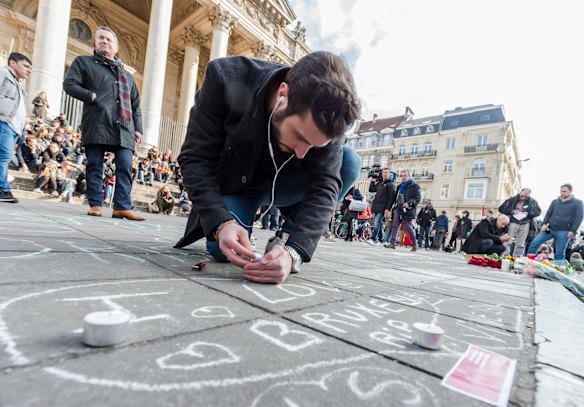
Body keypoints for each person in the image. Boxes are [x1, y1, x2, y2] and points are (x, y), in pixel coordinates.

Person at [174, 51, 361, 284]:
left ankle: (287, 235)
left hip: (288, 185)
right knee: (223, 249)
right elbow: (194, 158)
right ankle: (236, 223)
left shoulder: (331, 117)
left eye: (314, 146)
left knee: (350, 161)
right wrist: (221, 223)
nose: (303, 153)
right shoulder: (225, 77)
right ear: (283, 95)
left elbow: (325, 186)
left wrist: (295, 252)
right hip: (238, 184)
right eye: (299, 137)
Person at [63, 26, 144, 220]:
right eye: (101, 38)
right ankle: (96, 204)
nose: (104, 41)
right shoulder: (84, 62)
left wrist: (138, 129)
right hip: (97, 123)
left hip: (124, 128)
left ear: (116, 46)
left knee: (125, 166)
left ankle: (122, 207)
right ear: (96, 42)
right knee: (95, 166)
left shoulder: (128, 76)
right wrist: (91, 95)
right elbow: (69, 84)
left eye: (108, 39)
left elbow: (135, 106)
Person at [1, 52, 32, 203]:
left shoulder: (20, 85)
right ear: (13, 63)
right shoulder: (4, 73)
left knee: (4, 158)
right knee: (3, 157)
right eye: (25, 66)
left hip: (14, 128)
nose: (28, 70)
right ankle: (3, 189)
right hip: (4, 122)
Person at [527, 183, 584, 261]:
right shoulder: (555, 202)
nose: (562, 193)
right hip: (550, 229)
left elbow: (579, 217)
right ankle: (530, 261)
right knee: (535, 243)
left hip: (564, 231)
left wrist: (573, 230)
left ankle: (558, 268)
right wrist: (544, 224)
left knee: (559, 252)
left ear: (570, 191)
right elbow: (548, 213)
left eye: (564, 191)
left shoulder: (578, 203)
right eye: (561, 191)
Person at [384, 170, 421, 251]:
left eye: (405, 176)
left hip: (408, 209)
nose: (403, 177)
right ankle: (392, 243)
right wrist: (389, 208)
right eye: (402, 176)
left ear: (409, 176)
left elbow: (417, 199)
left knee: (408, 226)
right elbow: (394, 198)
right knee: (395, 225)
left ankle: (414, 244)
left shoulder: (415, 186)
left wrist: (409, 203)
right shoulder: (399, 186)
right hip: (398, 208)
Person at [498, 187, 541, 257]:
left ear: (529, 195)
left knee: (521, 243)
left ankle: (517, 258)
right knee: (507, 241)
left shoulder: (533, 202)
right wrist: (512, 211)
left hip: (525, 223)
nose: (523, 198)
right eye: (522, 196)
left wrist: (528, 213)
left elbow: (538, 212)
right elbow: (501, 208)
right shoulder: (512, 200)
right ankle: (504, 256)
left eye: (526, 197)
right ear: (520, 192)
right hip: (512, 222)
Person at [367, 168, 396, 245]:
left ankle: (373, 239)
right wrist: (373, 180)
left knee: (376, 222)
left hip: (383, 207)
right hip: (376, 206)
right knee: (379, 223)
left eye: (386, 172)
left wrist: (388, 208)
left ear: (389, 174)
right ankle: (381, 240)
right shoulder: (381, 183)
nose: (384, 174)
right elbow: (371, 189)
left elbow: (392, 198)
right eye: (383, 172)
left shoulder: (391, 184)